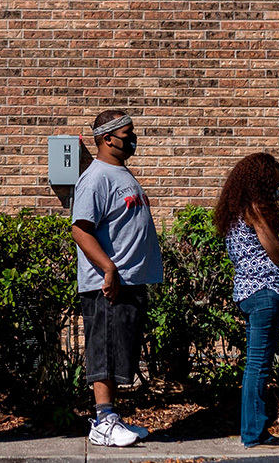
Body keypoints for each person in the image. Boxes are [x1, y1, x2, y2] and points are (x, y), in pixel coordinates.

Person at [71, 109, 162, 448]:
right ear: (107, 138)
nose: (132, 138)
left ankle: (112, 418)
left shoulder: (121, 173)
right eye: (128, 132)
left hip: (130, 279)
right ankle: (103, 421)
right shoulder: (96, 177)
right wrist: (109, 269)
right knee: (104, 351)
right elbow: (80, 230)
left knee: (119, 352)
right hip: (108, 283)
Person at [215, 152, 279, 449]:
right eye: (272, 187)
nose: (275, 193)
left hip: (246, 293)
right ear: (260, 184)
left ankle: (255, 431)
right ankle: (254, 434)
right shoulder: (254, 209)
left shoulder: (234, 211)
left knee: (256, 366)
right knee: (259, 368)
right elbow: (273, 251)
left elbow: (250, 256)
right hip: (265, 294)